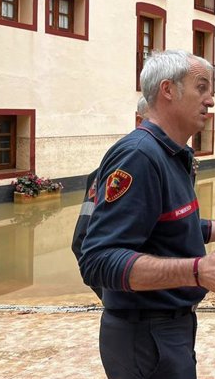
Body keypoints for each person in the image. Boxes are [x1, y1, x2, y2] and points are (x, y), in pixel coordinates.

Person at [78, 50, 215, 379]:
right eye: (202, 87)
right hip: (144, 335)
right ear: (168, 90)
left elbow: (174, 227)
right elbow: (97, 260)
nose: (211, 100)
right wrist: (198, 271)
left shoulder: (172, 155)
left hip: (167, 328)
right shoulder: (139, 156)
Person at [71, 96, 150, 299]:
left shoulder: (177, 162)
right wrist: (115, 296)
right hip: (136, 309)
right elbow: (82, 241)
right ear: (139, 122)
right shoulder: (123, 166)